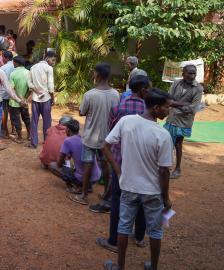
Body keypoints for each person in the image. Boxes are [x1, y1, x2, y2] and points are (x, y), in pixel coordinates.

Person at [101, 88, 173, 270]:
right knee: (155, 231)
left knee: (123, 227)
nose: (168, 111)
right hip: (152, 191)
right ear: (156, 108)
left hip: (128, 187)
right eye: (167, 107)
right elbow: (164, 171)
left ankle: (120, 266)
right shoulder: (162, 134)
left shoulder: (126, 122)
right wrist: (166, 198)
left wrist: (118, 172)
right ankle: (153, 267)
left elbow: (105, 146)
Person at [95, 75, 150, 252]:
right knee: (142, 200)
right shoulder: (149, 108)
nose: (149, 91)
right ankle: (140, 237)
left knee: (118, 201)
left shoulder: (118, 108)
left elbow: (111, 133)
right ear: (142, 90)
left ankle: (113, 240)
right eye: (147, 88)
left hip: (120, 161)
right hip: (143, 163)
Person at [71, 62, 119, 205]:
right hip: (107, 138)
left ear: (97, 75)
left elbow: (82, 112)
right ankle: (105, 195)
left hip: (89, 137)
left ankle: (84, 195)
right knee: (106, 166)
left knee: (88, 165)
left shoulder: (89, 94)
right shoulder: (116, 94)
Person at [164, 65, 203, 179]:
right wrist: (182, 105)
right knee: (167, 142)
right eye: (189, 73)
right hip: (171, 118)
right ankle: (165, 167)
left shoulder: (198, 88)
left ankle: (177, 169)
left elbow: (193, 108)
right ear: (183, 73)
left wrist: (174, 105)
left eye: (194, 73)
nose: (192, 76)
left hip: (184, 121)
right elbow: (168, 98)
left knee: (178, 144)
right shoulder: (176, 83)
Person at [53, 118, 101, 192]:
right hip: (96, 177)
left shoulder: (67, 141)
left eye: (65, 129)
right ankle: (88, 186)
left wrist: (65, 160)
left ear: (68, 130)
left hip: (83, 177)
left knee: (52, 166)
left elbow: (59, 164)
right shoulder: (84, 138)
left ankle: (76, 186)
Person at [26, 50, 57, 149]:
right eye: (53, 60)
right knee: (47, 121)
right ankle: (47, 142)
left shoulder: (33, 67)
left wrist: (35, 89)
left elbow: (29, 83)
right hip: (46, 98)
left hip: (35, 98)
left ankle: (34, 143)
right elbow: (51, 86)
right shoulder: (49, 68)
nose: (53, 62)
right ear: (47, 58)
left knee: (34, 121)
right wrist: (52, 98)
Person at [8, 56, 32, 143]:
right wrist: (24, 98)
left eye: (14, 62)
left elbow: (12, 89)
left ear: (17, 63)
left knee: (16, 119)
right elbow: (30, 88)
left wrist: (19, 98)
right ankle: (29, 135)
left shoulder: (13, 74)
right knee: (26, 118)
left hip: (14, 102)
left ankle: (20, 137)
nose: (13, 63)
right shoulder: (28, 72)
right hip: (25, 102)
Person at [0, 51, 15, 138]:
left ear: (5, 58)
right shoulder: (16, 66)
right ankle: (14, 130)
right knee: (13, 111)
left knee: (4, 111)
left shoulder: (2, 68)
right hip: (14, 93)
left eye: (2, 57)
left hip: (4, 93)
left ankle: (5, 130)